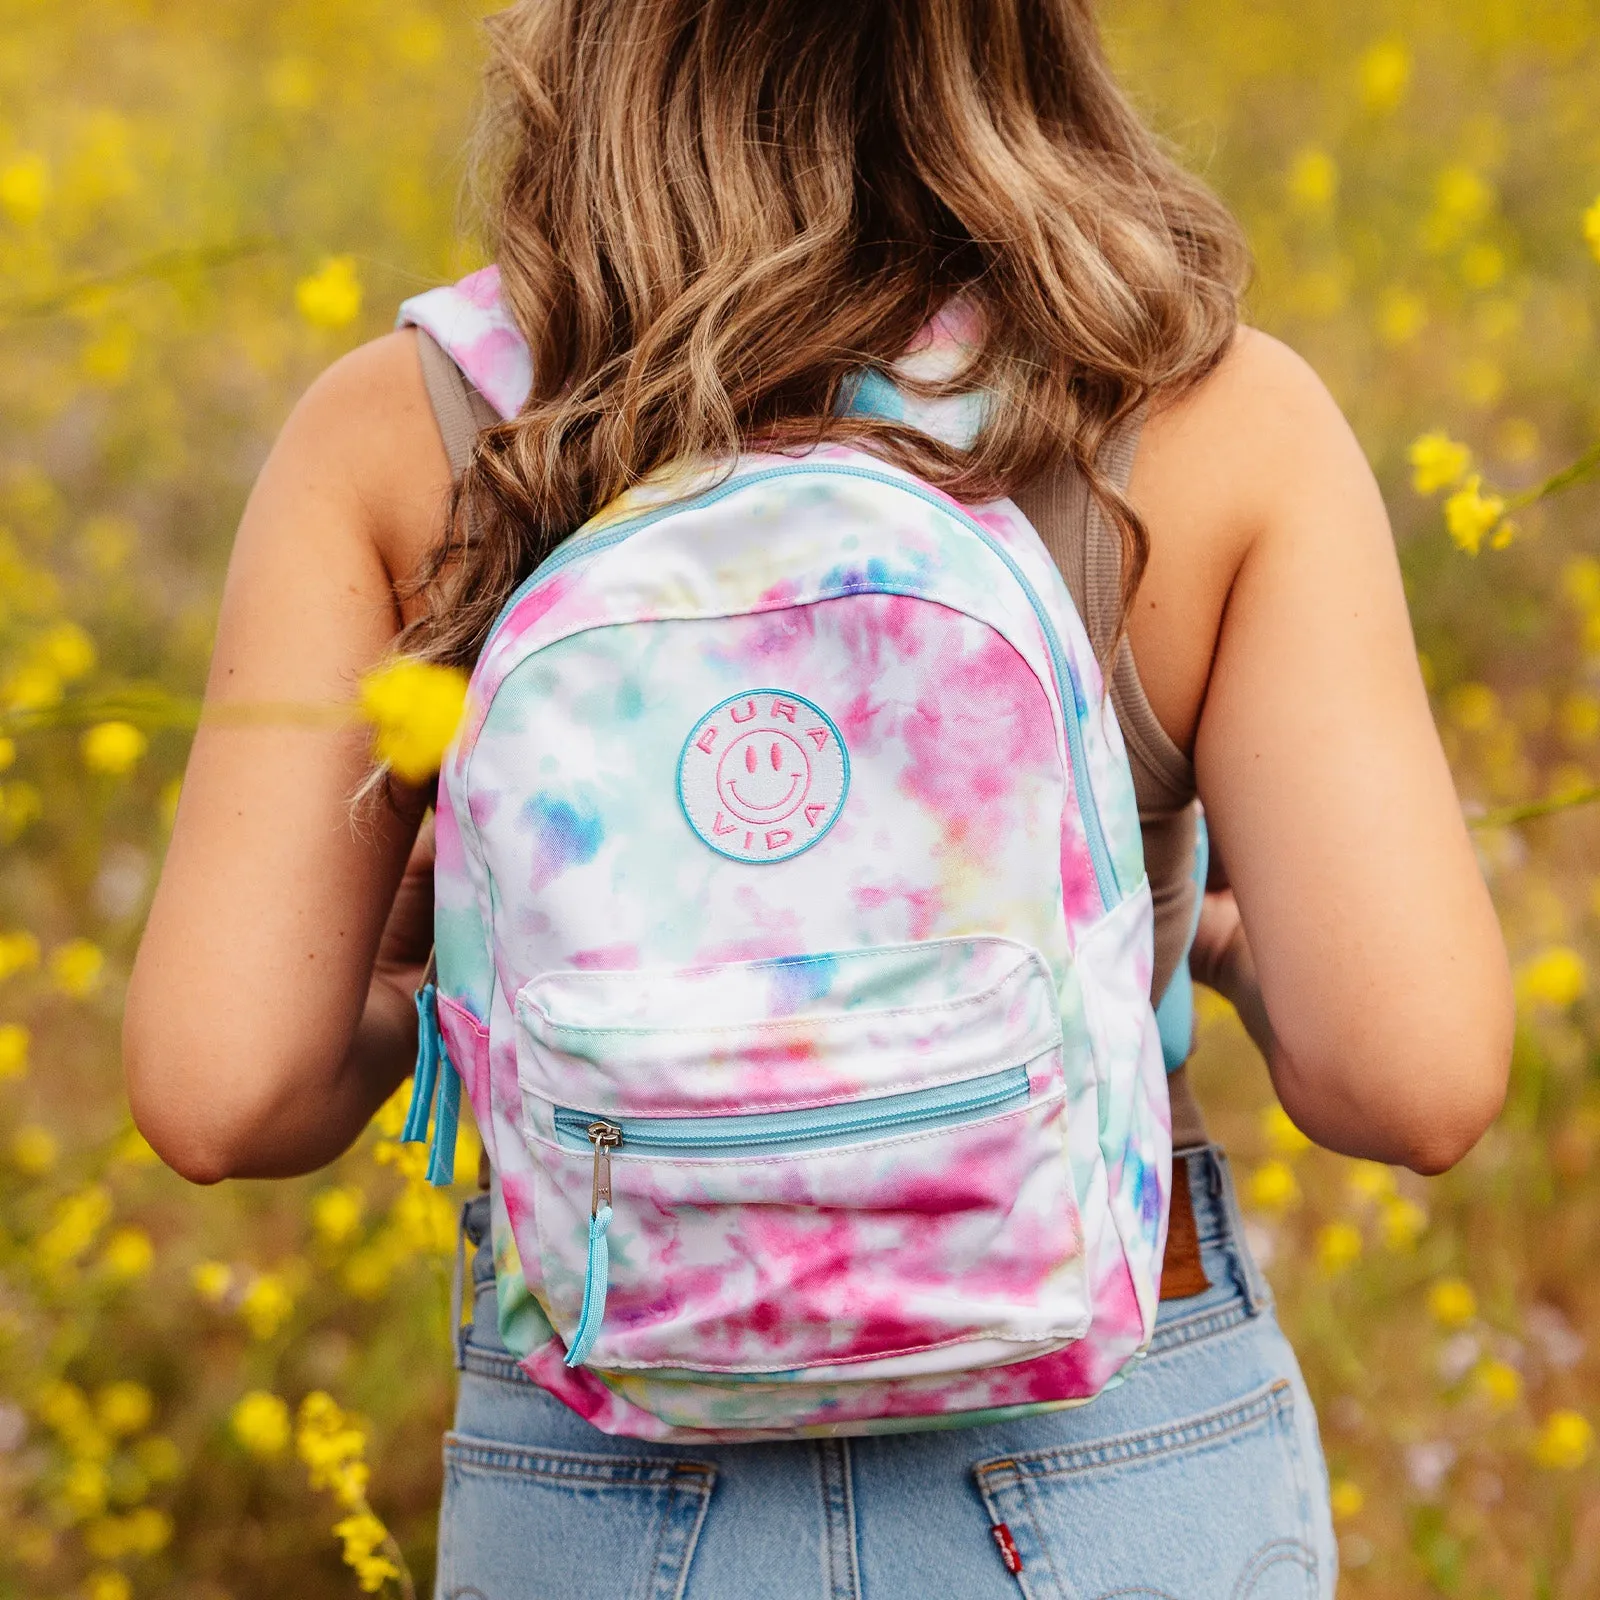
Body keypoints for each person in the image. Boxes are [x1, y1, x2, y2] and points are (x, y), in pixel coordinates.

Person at [123, 2, 1513, 1595]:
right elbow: (1415, 1080)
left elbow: (222, 1091)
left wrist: (434, 995)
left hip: (611, 1444)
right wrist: (1206, 940)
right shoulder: (1198, 412)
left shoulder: (414, 431)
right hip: (1106, 1440)